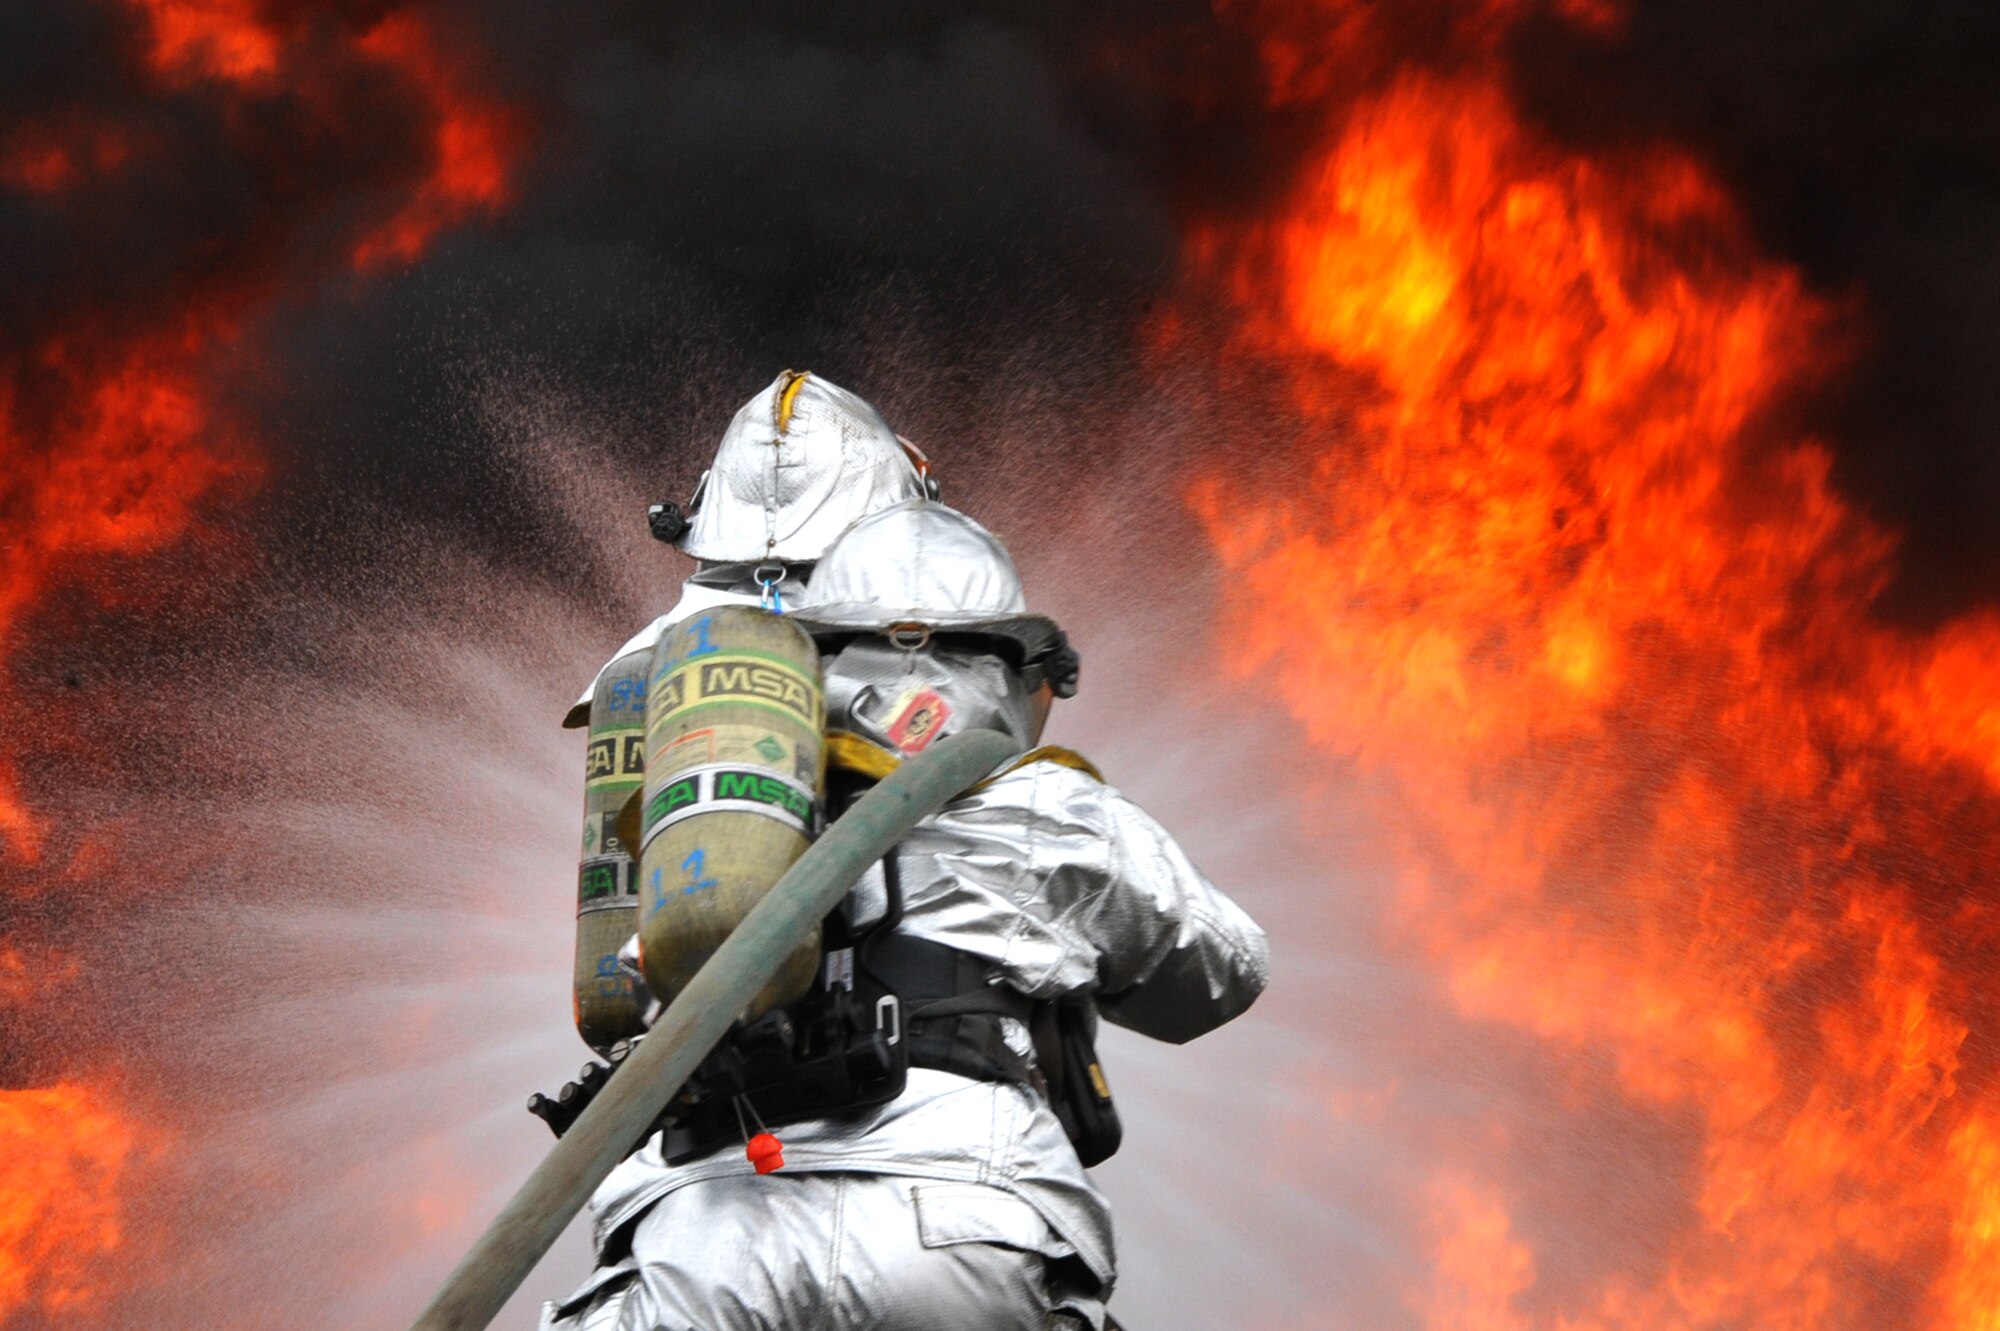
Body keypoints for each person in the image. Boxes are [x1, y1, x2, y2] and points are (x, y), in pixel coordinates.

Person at [543, 501, 1270, 1331]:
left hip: (709, 1231)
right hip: (958, 1224)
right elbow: (1222, 974)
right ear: (1005, 663)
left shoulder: (726, 806)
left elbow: (637, 989)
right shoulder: (1050, 804)